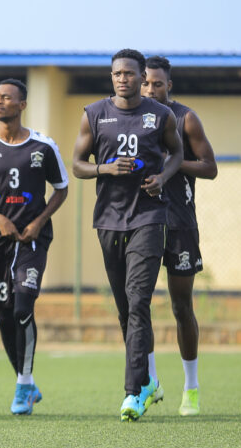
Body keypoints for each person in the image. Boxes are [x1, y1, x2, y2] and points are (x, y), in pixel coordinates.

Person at [71, 48, 184, 421]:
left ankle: (133, 393)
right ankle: (149, 380)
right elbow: (77, 165)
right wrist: (105, 169)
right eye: (117, 73)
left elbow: (177, 154)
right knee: (125, 309)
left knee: (139, 302)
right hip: (108, 220)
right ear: (112, 77)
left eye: (130, 74)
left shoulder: (160, 115)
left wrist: (162, 178)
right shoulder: (94, 114)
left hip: (149, 218)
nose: (124, 79)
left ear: (141, 77)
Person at [0, 79, 69, 415]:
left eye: (6, 97)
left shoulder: (43, 147)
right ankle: (27, 384)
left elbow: (61, 189)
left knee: (22, 308)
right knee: (3, 313)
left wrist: (38, 223)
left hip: (32, 240)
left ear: (22, 105)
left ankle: (22, 382)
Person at [142, 56, 217, 416]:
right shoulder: (128, 118)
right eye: (146, 83)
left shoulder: (185, 118)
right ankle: (150, 382)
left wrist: (170, 161)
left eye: (157, 83)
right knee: (138, 306)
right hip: (140, 222)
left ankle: (191, 387)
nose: (151, 89)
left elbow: (210, 167)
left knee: (179, 306)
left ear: (169, 85)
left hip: (179, 222)